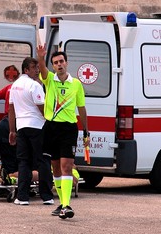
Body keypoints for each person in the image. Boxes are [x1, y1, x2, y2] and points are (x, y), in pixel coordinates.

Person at [37, 45, 90, 218]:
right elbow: (43, 71)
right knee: (56, 168)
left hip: (68, 129)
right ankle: (62, 203)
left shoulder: (76, 84)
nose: (59, 64)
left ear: (67, 63)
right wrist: (40, 57)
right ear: (52, 66)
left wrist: (86, 131)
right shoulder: (49, 79)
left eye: (61, 61)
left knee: (66, 166)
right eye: (55, 63)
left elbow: (81, 108)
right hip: (51, 128)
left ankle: (66, 205)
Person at [9, 57, 54, 205]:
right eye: (34, 67)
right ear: (26, 70)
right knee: (43, 160)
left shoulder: (14, 86)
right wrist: (50, 122)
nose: (37, 70)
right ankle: (47, 196)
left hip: (22, 127)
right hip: (37, 127)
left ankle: (22, 197)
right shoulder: (34, 85)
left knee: (24, 162)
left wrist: (12, 130)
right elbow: (42, 108)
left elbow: (11, 109)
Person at [0, 65, 20, 197]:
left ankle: (3, 188)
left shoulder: (9, 88)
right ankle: (11, 187)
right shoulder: (27, 88)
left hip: (5, 124)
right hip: (15, 124)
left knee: (7, 157)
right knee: (18, 157)